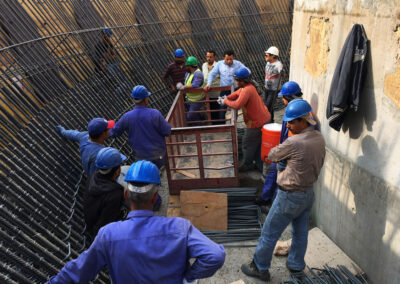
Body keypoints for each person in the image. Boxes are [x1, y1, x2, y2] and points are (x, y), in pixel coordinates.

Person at [47, 160, 226, 284]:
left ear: (126, 194)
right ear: (155, 197)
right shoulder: (179, 228)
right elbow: (215, 256)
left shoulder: (108, 235)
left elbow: (77, 272)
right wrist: (188, 276)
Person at [241, 99, 326, 281]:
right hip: (307, 194)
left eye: (292, 121)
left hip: (289, 196)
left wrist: (284, 159)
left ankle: (260, 267)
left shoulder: (294, 142)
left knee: (269, 233)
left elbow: (272, 155)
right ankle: (296, 266)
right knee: (300, 233)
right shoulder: (319, 138)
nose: (287, 124)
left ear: (304, 120)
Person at [259, 81, 305, 204]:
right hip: (285, 151)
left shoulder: (299, 112)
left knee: (281, 183)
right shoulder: (293, 109)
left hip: (290, 154)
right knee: (273, 171)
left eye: (283, 98)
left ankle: (274, 205)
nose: (283, 100)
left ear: (288, 97)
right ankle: (265, 198)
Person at [219, 67, 271, 172]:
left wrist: (225, 102)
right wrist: (227, 98)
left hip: (257, 123)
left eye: (237, 80)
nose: (236, 81)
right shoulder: (247, 87)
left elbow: (237, 105)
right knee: (257, 144)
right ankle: (259, 165)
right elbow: (237, 94)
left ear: (243, 81)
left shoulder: (247, 89)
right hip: (264, 119)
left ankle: (247, 165)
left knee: (247, 143)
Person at [110, 85, 171, 168]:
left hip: (140, 157)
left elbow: (114, 132)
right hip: (158, 156)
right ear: (146, 99)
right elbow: (167, 131)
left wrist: (105, 126)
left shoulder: (127, 117)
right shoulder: (155, 114)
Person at [84, 147, 127, 238]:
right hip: (103, 233)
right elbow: (108, 222)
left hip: (91, 223)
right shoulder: (114, 195)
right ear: (116, 172)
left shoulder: (92, 177)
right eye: (120, 165)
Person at [204, 50, 245, 123]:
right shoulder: (220, 64)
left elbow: (247, 70)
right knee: (222, 109)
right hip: (224, 91)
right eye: (227, 59)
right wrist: (209, 84)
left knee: (234, 108)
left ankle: (233, 125)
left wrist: (239, 75)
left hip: (235, 90)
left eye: (231, 59)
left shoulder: (238, 64)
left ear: (233, 58)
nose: (229, 61)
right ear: (224, 58)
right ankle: (222, 126)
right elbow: (212, 74)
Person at [93, 26, 129, 95]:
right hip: (103, 70)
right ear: (102, 35)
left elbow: (114, 57)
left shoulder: (110, 44)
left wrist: (109, 47)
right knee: (111, 88)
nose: (108, 37)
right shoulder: (99, 45)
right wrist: (109, 54)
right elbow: (107, 57)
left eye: (109, 35)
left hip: (112, 66)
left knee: (124, 82)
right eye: (107, 35)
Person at [178, 56, 205, 123]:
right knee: (194, 116)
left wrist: (184, 87)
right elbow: (186, 82)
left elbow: (195, 85)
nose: (185, 67)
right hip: (189, 98)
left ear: (190, 66)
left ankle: (198, 127)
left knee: (190, 116)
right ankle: (198, 128)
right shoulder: (188, 73)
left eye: (187, 65)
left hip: (196, 100)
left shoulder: (198, 74)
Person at [263, 46, 283, 123]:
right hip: (266, 88)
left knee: (268, 106)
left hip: (274, 90)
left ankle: (270, 122)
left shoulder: (278, 65)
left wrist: (281, 73)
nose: (265, 57)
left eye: (267, 55)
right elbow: (266, 72)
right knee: (265, 106)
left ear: (273, 56)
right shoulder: (268, 63)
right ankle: (269, 121)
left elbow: (282, 74)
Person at [202, 50, 220, 122]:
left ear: (214, 57)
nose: (208, 58)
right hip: (207, 95)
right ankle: (214, 127)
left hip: (217, 94)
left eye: (210, 57)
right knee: (211, 112)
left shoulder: (218, 65)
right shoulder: (204, 65)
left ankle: (221, 127)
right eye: (207, 57)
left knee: (219, 112)